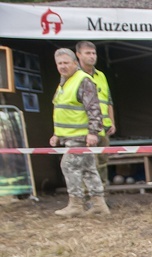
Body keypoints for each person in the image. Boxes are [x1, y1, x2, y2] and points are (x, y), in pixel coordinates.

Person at [49, 48, 109, 217]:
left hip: (80, 136)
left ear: (75, 63)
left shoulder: (82, 80)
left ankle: (76, 204)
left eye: (66, 63)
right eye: (59, 63)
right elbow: (63, 111)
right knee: (89, 168)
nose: (62, 66)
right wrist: (57, 134)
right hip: (70, 135)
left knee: (68, 165)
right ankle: (99, 204)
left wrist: (93, 132)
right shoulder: (64, 82)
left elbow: (94, 108)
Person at [76, 41, 115, 183]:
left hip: (102, 128)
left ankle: (102, 197)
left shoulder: (101, 76)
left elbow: (108, 101)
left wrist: (111, 122)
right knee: (89, 165)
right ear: (78, 55)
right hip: (84, 129)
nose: (92, 56)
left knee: (103, 163)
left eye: (94, 53)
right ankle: (89, 198)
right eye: (88, 53)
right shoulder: (74, 77)